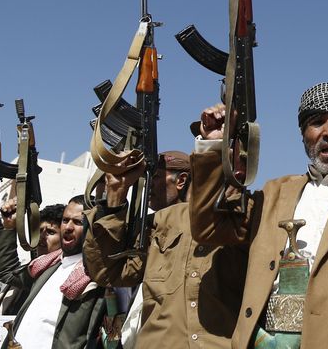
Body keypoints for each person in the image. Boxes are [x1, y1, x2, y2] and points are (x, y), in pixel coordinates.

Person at [190, 83, 328, 349]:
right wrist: (214, 144)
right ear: (304, 135)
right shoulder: (275, 193)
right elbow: (209, 228)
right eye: (316, 123)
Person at [85, 149, 245, 348]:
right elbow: (108, 272)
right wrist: (116, 195)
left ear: (181, 181)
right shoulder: (155, 224)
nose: (148, 184)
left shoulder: (233, 222)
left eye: (156, 176)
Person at [0, 196, 106, 349]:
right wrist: (10, 225)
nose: (68, 227)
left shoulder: (98, 275)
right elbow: (7, 272)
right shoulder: (47, 265)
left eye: (78, 222)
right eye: (65, 220)